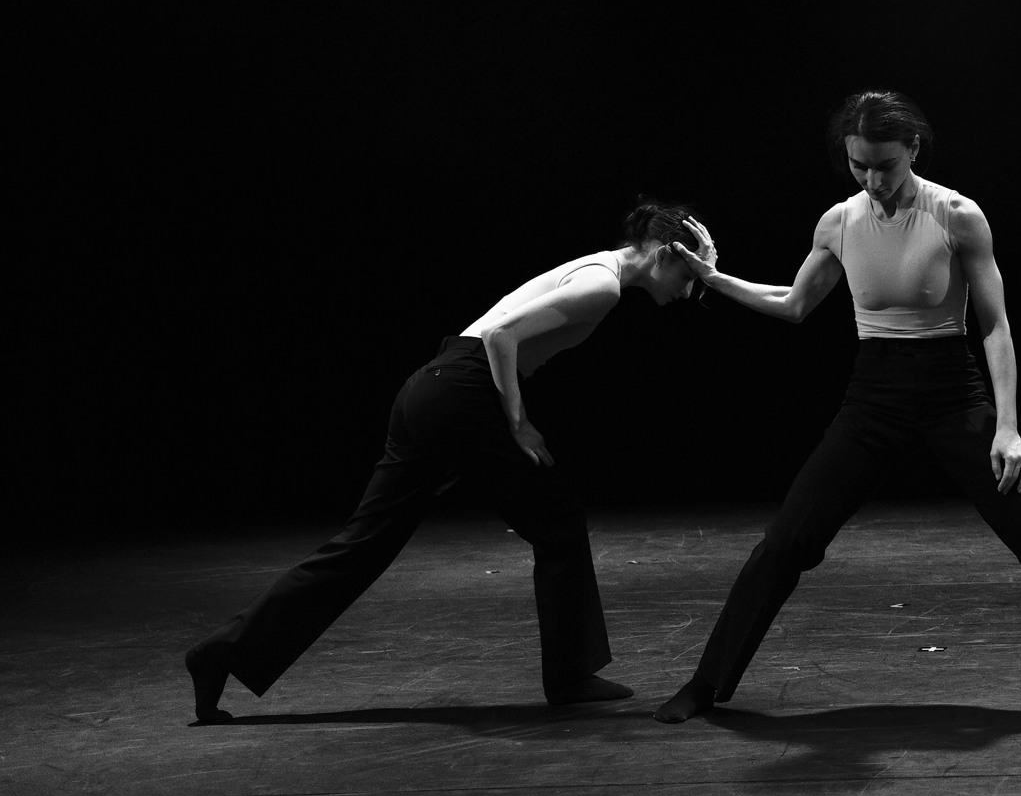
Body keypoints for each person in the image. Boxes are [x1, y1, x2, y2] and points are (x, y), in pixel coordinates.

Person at [652, 91, 1021, 723]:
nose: (873, 181)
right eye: (859, 166)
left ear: (913, 150)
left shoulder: (957, 215)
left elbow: (995, 327)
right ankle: (706, 683)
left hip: (951, 391)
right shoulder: (838, 222)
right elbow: (793, 304)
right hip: (874, 396)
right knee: (787, 540)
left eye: (886, 166)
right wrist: (711, 278)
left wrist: (1008, 429)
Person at [184, 196, 718, 724]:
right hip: (461, 394)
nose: (689, 290)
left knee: (361, 546)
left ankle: (219, 654)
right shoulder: (602, 285)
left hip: (435, 388)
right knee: (559, 523)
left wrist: (708, 268)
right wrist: (518, 422)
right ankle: (570, 677)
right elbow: (501, 335)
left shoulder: (599, 269)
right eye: (689, 276)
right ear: (663, 255)